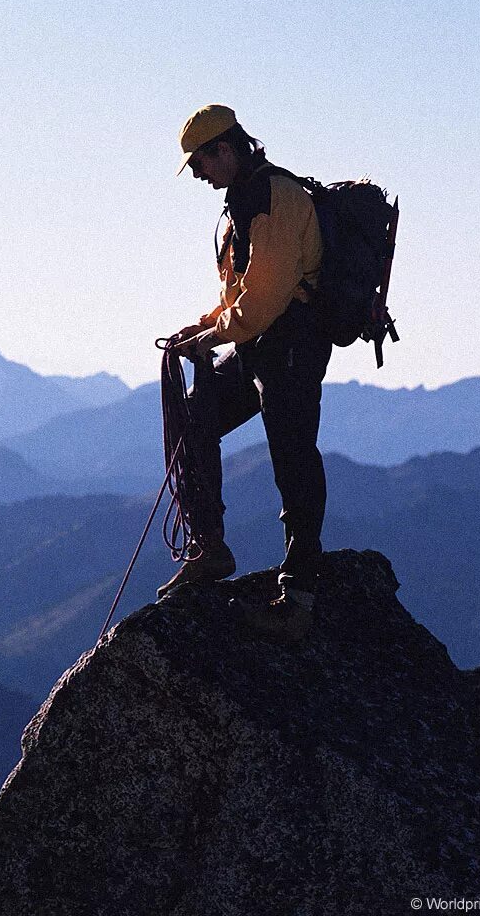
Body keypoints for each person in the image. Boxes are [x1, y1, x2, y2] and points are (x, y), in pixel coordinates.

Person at [158, 104, 332, 642]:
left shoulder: (277, 197)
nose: (201, 177)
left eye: (202, 164)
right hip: (263, 348)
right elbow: (241, 297)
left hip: (292, 348)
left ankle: (299, 597)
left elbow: (263, 301)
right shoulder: (242, 201)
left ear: (225, 150)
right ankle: (210, 546)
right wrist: (206, 326)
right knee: (195, 417)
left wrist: (211, 336)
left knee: (293, 458)